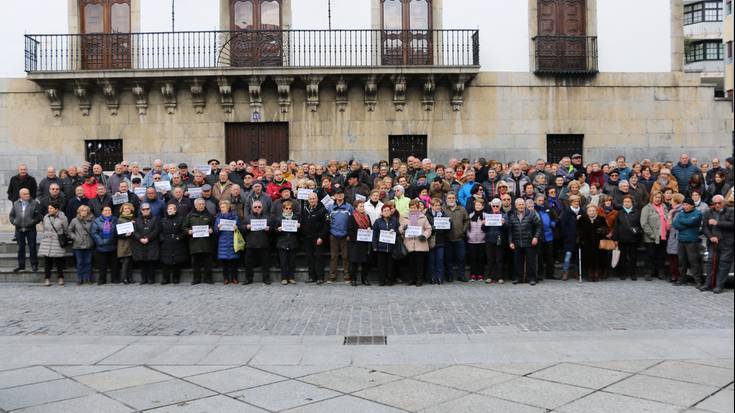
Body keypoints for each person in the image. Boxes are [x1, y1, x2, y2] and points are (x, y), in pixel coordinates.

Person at [700, 195, 734, 293]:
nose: (717, 205)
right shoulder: (708, 212)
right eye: (715, 203)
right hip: (713, 242)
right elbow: (705, 227)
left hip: (727, 243)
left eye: (719, 203)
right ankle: (708, 284)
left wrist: (718, 223)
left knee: (724, 263)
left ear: (724, 202)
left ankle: (719, 285)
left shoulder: (731, 211)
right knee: (711, 263)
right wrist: (711, 237)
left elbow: (732, 225)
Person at [508, 198, 543, 285]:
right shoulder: (512, 216)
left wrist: (536, 237)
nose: (521, 206)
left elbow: (539, 226)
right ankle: (517, 278)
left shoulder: (531, 214)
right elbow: (510, 231)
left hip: (529, 241)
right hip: (517, 242)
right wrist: (510, 242)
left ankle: (532, 279)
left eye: (522, 204)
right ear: (516, 206)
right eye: (519, 205)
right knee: (517, 262)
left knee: (531, 262)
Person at [399, 199, 432, 286]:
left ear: (418, 208)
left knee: (420, 263)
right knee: (411, 263)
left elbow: (428, 228)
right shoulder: (404, 217)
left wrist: (424, 235)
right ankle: (411, 279)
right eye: (411, 208)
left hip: (420, 243)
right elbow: (400, 228)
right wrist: (403, 229)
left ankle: (419, 280)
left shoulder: (423, 217)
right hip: (409, 243)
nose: (413, 209)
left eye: (414, 208)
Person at [9, 188, 43, 272]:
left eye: (28, 193)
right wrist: (14, 222)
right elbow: (11, 215)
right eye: (25, 194)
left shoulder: (34, 203)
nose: (27, 195)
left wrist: (32, 222)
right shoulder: (16, 203)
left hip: (31, 229)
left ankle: (34, 265)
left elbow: (38, 216)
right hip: (19, 229)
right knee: (20, 248)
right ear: (20, 195)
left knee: (32, 247)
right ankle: (21, 265)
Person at [672, 197, 703, 287]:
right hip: (681, 240)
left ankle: (698, 280)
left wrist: (683, 222)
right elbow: (675, 224)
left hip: (691, 241)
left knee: (693, 261)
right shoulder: (680, 213)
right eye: (684, 204)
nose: (685, 206)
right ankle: (682, 279)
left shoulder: (697, 213)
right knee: (681, 261)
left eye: (687, 205)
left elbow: (692, 222)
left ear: (692, 205)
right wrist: (686, 223)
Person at [640, 191, 670, 281]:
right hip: (651, 237)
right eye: (656, 197)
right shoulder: (646, 208)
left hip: (663, 235)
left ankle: (660, 272)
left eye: (659, 197)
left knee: (661, 255)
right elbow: (644, 224)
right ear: (652, 198)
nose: (657, 199)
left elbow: (667, 219)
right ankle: (648, 273)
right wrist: (652, 234)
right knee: (650, 255)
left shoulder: (664, 207)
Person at [184, 198, 215, 285]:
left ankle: (208, 278)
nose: (201, 206)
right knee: (195, 262)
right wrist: (188, 231)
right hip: (195, 242)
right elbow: (184, 227)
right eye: (199, 204)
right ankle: (196, 278)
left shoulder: (209, 215)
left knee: (208, 262)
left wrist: (212, 229)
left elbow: (214, 225)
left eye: (202, 204)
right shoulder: (190, 215)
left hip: (206, 242)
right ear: (195, 205)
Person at [38, 203, 69, 286]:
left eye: (51, 208)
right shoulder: (46, 217)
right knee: (47, 261)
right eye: (49, 208)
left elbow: (66, 229)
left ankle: (61, 278)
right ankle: (47, 278)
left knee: (59, 261)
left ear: (56, 209)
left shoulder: (63, 218)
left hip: (57, 241)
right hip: (47, 241)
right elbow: (44, 229)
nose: (49, 210)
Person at [242, 200, 272, 285]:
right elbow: (241, 228)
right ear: (252, 208)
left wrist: (269, 229)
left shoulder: (267, 217)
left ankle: (266, 278)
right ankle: (248, 279)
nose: (257, 208)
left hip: (264, 244)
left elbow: (273, 229)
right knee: (248, 264)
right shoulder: (248, 217)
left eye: (259, 207)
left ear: (262, 208)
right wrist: (246, 227)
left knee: (266, 263)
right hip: (250, 244)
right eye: (255, 207)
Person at [613, 195, 642, 280]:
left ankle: (633, 274)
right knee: (623, 257)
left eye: (628, 201)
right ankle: (622, 273)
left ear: (632, 203)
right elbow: (616, 226)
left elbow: (640, 225)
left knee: (633, 257)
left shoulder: (637, 212)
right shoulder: (620, 212)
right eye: (625, 202)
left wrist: (638, 230)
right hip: (622, 239)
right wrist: (615, 239)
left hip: (633, 239)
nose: (626, 203)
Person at [577, 204, 609, 282]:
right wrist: (580, 239)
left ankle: (597, 273)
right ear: (587, 212)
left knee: (598, 258)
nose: (591, 212)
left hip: (598, 242)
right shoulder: (582, 219)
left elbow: (606, 229)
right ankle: (590, 274)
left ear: (596, 212)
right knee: (588, 258)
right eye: (590, 211)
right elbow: (578, 230)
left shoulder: (601, 219)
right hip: (587, 243)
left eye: (593, 211)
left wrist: (602, 230)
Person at [328, 188, 353, 283]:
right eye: (337, 194)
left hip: (345, 235)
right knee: (333, 257)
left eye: (341, 193)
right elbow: (327, 221)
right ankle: (332, 276)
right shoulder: (330, 207)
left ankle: (347, 276)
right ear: (334, 196)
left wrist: (349, 234)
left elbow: (351, 222)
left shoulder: (349, 206)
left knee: (346, 256)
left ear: (344, 195)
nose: (339, 195)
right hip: (333, 235)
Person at [443, 191, 469, 282]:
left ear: (456, 199)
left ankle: (461, 275)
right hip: (447, 238)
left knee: (461, 258)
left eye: (453, 198)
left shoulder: (462, 209)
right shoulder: (443, 209)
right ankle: (449, 276)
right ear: (446, 200)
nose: (451, 200)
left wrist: (463, 230)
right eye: (449, 198)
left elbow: (467, 220)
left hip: (459, 237)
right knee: (448, 258)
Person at [160, 203, 188, 285]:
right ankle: (166, 278)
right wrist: (163, 238)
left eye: (172, 209)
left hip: (177, 242)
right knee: (165, 261)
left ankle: (176, 278)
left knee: (177, 261)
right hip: (166, 243)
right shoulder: (163, 220)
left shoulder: (181, 219)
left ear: (175, 210)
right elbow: (160, 231)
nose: (170, 210)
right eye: (168, 209)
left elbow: (183, 231)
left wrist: (179, 237)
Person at [132, 203, 160, 284]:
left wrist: (148, 238)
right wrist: (140, 238)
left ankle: (151, 279)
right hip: (140, 243)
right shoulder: (137, 220)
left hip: (151, 242)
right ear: (141, 210)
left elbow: (156, 230)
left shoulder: (155, 219)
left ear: (150, 210)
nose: (145, 210)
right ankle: (144, 279)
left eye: (147, 209)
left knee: (151, 261)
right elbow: (135, 231)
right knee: (143, 262)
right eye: (143, 209)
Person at [214, 200, 241, 285]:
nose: (222, 209)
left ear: (228, 207)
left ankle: (234, 278)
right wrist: (218, 228)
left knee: (234, 262)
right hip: (223, 242)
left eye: (224, 207)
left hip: (233, 241)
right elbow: (215, 232)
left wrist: (237, 228)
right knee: (224, 263)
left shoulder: (235, 217)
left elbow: (240, 229)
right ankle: (225, 278)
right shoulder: (218, 218)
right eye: (221, 207)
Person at [347, 200, 372, 286]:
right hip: (355, 243)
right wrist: (357, 238)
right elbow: (350, 230)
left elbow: (370, 226)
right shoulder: (352, 217)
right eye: (360, 206)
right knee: (354, 262)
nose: (362, 208)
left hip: (365, 242)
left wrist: (369, 228)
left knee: (365, 262)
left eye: (363, 206)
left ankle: (364, 279)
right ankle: (353, 279)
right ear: (356, 208)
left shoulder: (367, 216)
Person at [372, 204, 399, 286]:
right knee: (381, 265)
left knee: (391, 265)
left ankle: (390, 280)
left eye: (388, 210)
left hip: (391, 247)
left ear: (391, 212)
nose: (386, 212)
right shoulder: (377, 221)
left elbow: (399, 232)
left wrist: (394, 231)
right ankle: (381, 280)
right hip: (381, 247)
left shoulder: (394, 221)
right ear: (382, 212)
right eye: (385, 211)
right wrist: (375, 246)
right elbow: (375, 234)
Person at [274, 200, 300, 284]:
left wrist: (299, 227)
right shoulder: (278, 219)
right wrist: (278, 229)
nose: (288, 210)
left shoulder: (296, 218)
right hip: (282, 243)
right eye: (286, 208)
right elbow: (273, 231)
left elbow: (300, 232)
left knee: (292, 261)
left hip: (293, 242)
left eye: (290, 208)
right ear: (283, 209)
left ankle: (291, 277)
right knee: (283, 262)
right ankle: (284, 278)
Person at [68, 205, 95, 285]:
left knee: (88, 262)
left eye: (85, 210)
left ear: (88, 212)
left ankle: (88, 278)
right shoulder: (74, 220)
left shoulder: (92, 220)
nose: (83, 212)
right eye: (82, 210)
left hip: (89, 243)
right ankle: (80, 278)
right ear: (79, 212)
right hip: (78, 244)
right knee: (79, 262)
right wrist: (75, 237)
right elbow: (69, 230)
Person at [482, 198, 507, 284]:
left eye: (497, 206)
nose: (495, 207)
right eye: (493, 206)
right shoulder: (488, 216)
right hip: (489, 239)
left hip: (499, 239)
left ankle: (500, 277)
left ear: (500, 207)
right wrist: (483, 224)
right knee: (490, 259)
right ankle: (490, 276)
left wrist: (504, 224)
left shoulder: (504, 215)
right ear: (491, 206)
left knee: (499, 259)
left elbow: (507, 229)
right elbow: (484, 229)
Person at [91, 206, 119, 285]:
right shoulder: (96, 221)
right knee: (102, 265)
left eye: (109, 210)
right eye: (105, 210)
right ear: (102, 212)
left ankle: (115, 278)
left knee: (114, 264)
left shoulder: (115, 220)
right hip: (102, 246)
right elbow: (94, 233)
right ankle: (102, 279)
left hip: (113, 245)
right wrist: (101, 242)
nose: (107, 212)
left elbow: (118, 230)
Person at [426, 197, 450, 284]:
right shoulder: (427, 215)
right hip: (431, 240)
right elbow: (425, 227)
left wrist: (448, 224)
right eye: (435, 205)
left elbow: (448, 229)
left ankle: (440, 277)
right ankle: (432, 277)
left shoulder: (444, 214)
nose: (438, 207)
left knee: (440, 260)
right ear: (431, 206)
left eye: (439, 205)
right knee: (431, 261)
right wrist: (432, 228)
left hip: (441, 240)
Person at [559, 195, 582, 281]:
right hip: (569, 238)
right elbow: (563, 226)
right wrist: (566, 236)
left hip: (579, 238)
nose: (576, 203)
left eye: (578, 201)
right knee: (568, 255)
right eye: (575, 201)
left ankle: (577, 273)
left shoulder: (581, 211)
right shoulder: (567, 212)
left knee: (577, 256)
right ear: (571, 202)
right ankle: (565, 272)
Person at [534, 194, 556, 281]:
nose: (541, 202)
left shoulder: (548, 209)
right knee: (539, 256)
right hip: (539, 236)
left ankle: (550, 274)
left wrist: (553, 223)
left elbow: (555, 217)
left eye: (542, 200)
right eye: (539, 200)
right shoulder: (533, 210)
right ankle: (539, 274)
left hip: (549, 235)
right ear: (535, 201)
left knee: (550, 255)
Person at [466, 199, 487, 281]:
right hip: (472, 240)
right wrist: (469, 235)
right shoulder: (470, 215)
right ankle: (473, 275)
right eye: (476, 205)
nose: (478, 206)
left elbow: (487, 228)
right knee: (473, 258)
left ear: (482, 206)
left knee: (481, 258)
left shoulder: (486, 216)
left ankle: (480, 274)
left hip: (482, 240)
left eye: (479, 205)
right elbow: (468, 227)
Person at [666, 193, 684, 283]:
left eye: (672, 200)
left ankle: (676, 275)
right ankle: (673, 274)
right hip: (673, 236)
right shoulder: (673, 211)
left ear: (676, 201)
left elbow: (673, 225)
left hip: (677, 236)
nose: (670, 202)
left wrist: (669, 217)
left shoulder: (679, 211)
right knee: (672, 256)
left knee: (676, 257)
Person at [116, 203, 136, 284]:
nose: (127, 210)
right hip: (124, 243)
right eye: (125, 208)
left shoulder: (133, 219)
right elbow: (117, 233)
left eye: (128, 208)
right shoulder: (120, 219)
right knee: (126, 261)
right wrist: (125, 235)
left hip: (132, 242)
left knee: (130, 261)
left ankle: (130, 277)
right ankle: (124, 278)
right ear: (122, 210)